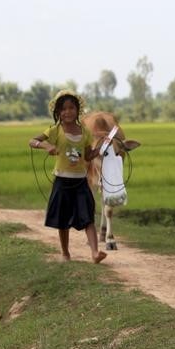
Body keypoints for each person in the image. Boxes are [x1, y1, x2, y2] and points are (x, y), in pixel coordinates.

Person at [29, 89, 107, 263]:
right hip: (62, 182)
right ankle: (65, 253)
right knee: (62, 219)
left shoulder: (85, 132)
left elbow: (87, 156)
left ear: (77, 110)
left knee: (88, 216)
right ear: (57, 112)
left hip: (80, 181)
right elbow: (32, 141)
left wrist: (100, 149)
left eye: (71, 108)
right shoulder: (55, 131)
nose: (67, 112)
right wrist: (46, 146)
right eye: (63, 109)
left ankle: (95, 252)